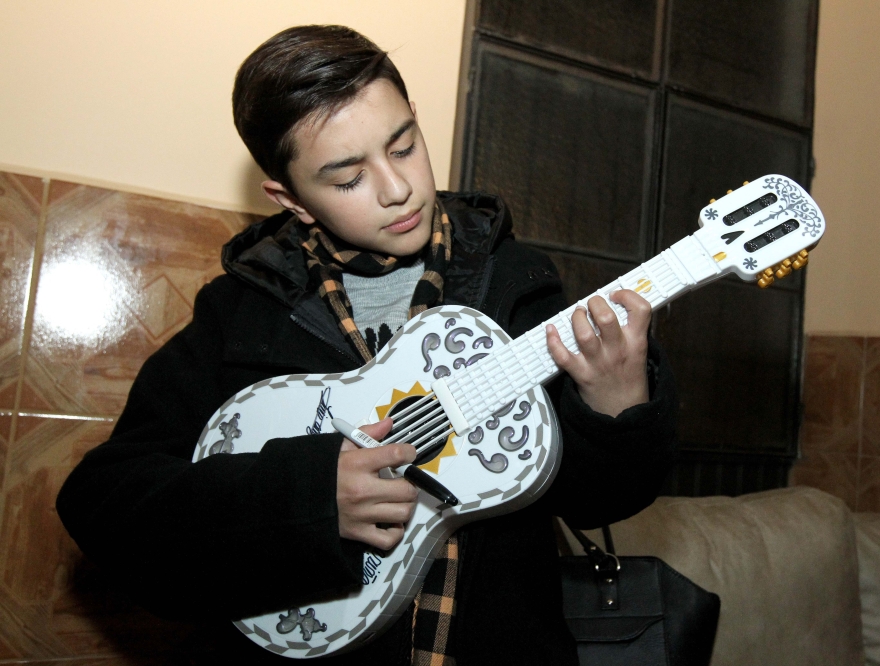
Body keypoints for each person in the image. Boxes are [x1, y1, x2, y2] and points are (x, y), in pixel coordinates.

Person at [56, 25, 676, 665]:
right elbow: (104, 505)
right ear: (291, 199)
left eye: (404, 146)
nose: (396, 188)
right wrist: (306, 497)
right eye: (349, 178)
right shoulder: (241, 312)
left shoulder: (517, 283)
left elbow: (599, 499)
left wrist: (618, 404)